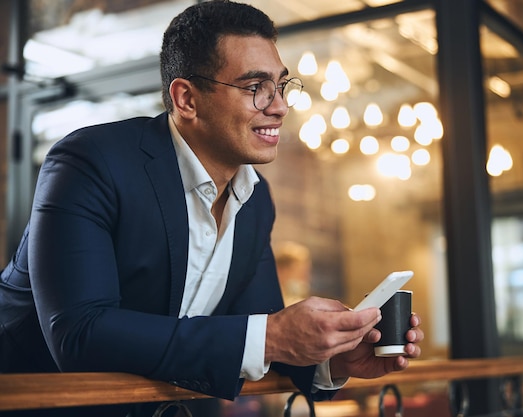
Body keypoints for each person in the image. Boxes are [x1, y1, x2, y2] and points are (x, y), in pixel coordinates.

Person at [0, 1, 424, 416]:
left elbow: (258, 331)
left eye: (281, 86)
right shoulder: (91, 162)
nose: (279, 107)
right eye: (255, 87)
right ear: (186, 99)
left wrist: (334, 359)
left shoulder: (256, 199)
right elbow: (80, 334)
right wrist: (273, 335)